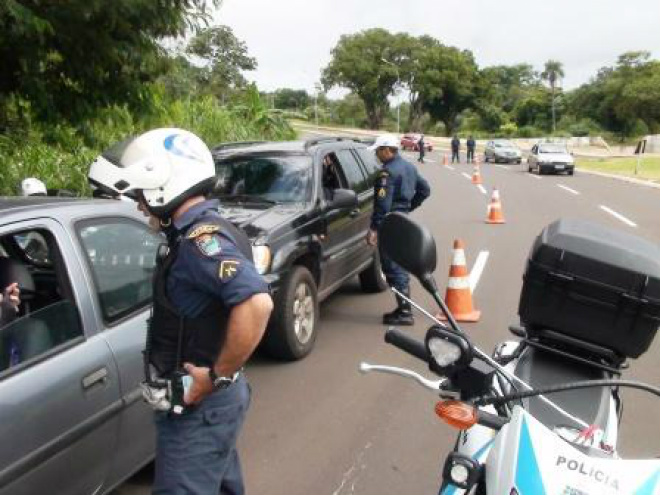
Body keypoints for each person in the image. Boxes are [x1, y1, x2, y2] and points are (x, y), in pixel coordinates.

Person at [88, 128, 274, 495]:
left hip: (200, 406)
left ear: (164, 186)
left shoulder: (198, 243)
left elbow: (257, 302)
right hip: (214, 403)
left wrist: (215, 376)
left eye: (141, 194)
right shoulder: (215, 228)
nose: (139, 204)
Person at [367, 134, 431, 326]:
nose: (377, 155)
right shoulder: (409, 166)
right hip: (402, 220)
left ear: (387, 150)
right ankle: (403, 308)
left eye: (378, 151)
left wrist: (374, 229)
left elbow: (383, 205)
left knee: (393, 267)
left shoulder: (386, 173)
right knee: (398, 265)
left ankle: (404, 312)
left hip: (390, 223)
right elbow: (425, 190)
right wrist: (408, 207)